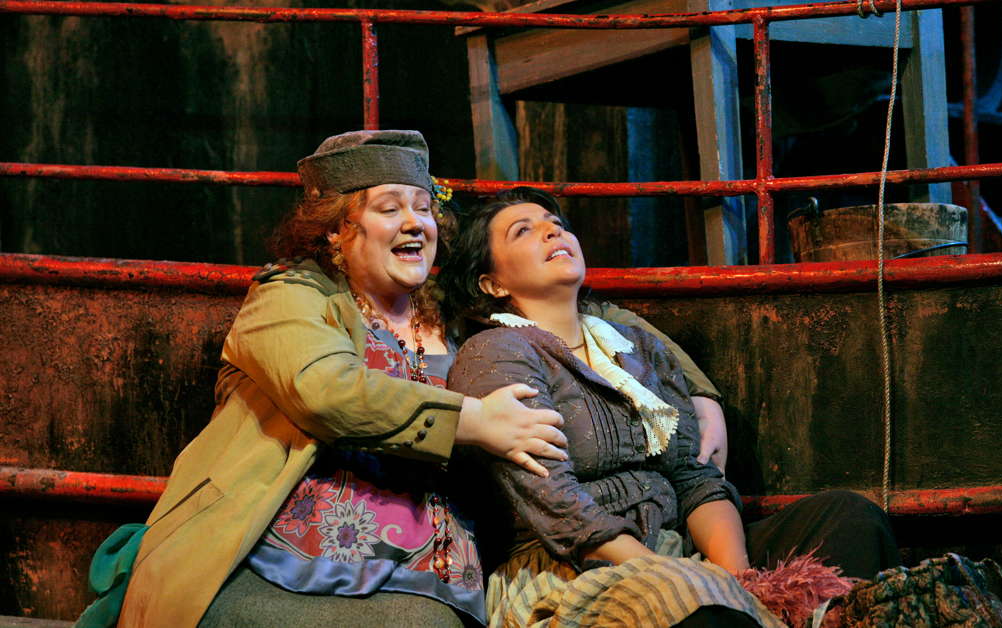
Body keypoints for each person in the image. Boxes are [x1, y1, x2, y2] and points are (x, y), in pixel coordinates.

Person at [76, 131, 728, 628]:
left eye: (423, 208)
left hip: (431, 579)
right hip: (276, 568)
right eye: (390, 208)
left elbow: (579, 310)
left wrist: (697, 388)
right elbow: (325, 391)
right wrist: (476, 422)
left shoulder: (452, 311)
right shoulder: (293, 297)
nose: (416, 223)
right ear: (337, 230)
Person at [441, 188, 900, 628]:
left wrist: (738, 579)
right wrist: (673, 574)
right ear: (492, 282)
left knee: (849, 517)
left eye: (556, 225)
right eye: (523, 230)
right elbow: (556, 505)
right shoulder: (497, 353)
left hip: (674, 548)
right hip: (571, 568)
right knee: (691, 604)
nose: (551, 233)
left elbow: (693, 477)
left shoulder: (637, 346)